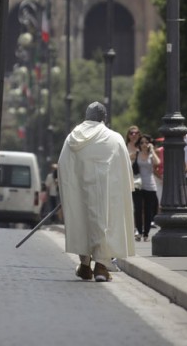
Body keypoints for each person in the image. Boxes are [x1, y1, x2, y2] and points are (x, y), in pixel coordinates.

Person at [58, 101, 135, 282]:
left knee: (81, 222)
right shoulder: (114, 138)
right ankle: (101, 266)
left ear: (86, 116)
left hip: (80, 191)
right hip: (107, 192)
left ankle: (85, 266)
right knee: (105, 223)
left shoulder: (72, 138)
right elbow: (125, 169)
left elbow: (63, 166)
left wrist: (70, 188)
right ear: (104, 118)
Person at [133, 134, 160, 242]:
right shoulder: (136, 154)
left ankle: (146, 234)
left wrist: (152, 150)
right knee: (138, 209)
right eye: (142, 142)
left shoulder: (151, 154)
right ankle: (139, 232)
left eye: (146, 142)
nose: (144, 144)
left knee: (149, 211)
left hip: (150, 185)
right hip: (138, 185)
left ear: (149, 143)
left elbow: (158, 162)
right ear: (139, 144)